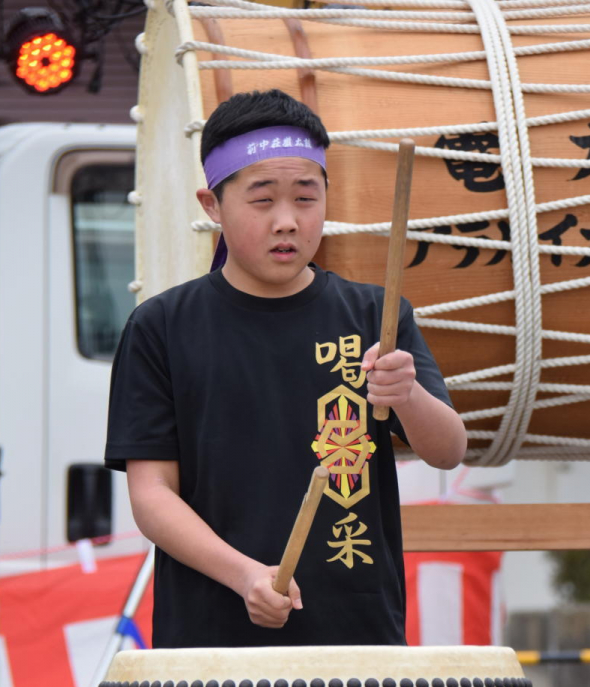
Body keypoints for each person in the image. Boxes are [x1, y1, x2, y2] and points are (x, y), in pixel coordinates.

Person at [105, 88, 466, 649]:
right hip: (212, 634)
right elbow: (152, 495)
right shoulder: (161, 327)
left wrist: (408, 395)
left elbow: (447, 450)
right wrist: (246, 575)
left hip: (357, 633)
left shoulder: (376, 313)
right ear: (212, 205)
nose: (287, 222)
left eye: (305, 198)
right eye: (261, 200)